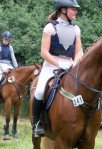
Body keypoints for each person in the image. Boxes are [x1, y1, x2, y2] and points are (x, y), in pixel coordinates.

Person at [32, 0, 83, 137]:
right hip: (51, 65)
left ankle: (96, 118)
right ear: (63, 10)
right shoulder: (50, 28)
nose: (76, 11)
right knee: (40, 90)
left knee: (87, 85)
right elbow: (44, 52)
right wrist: (59, 64)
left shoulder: (76, 29)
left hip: (71, 66)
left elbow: (79, 52)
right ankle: (37, 124)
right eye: (73, 9)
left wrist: (75, 62)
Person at [0, 31, 18, 103]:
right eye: (5, 39)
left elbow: (13, 58)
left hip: (9, 65)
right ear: (2, 39)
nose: (6, 41)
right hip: (0, 65)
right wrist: (2, 69)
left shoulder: (10, 48)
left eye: (8, 40)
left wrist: (16, 67)